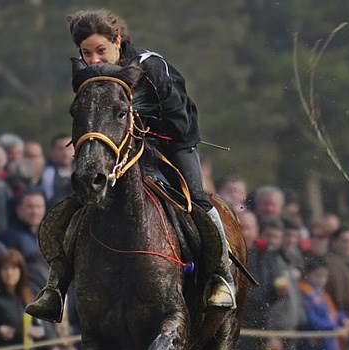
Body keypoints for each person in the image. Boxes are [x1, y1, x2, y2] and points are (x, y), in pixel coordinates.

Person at [26, 8, 235, 323]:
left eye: (100, 50)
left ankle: (220, 276)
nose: (94, 59)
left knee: (198, 200)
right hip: (117, 152)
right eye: (86, 53)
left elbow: (180, 122)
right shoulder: (87, 75)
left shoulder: (151, 66)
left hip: (170, 145)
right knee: (79, 203)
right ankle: (55, 288)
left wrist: (142, 129)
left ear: (118, 41)